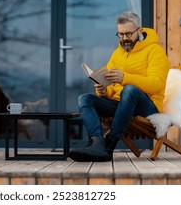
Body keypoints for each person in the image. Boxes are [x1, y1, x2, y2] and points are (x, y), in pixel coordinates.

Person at [69, 12, 170, 162]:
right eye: (121, 34)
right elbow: (111, 87)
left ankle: (109, 144)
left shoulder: (155, 51)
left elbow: (157, 84)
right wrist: (103, 90)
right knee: (85, 99)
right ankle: (97, 143)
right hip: (123, 106)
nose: (124, 38)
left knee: (130, 89)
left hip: (148, 107)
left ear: (139, 31)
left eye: (128, 34)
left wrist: (125, 78)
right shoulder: (118, 54)